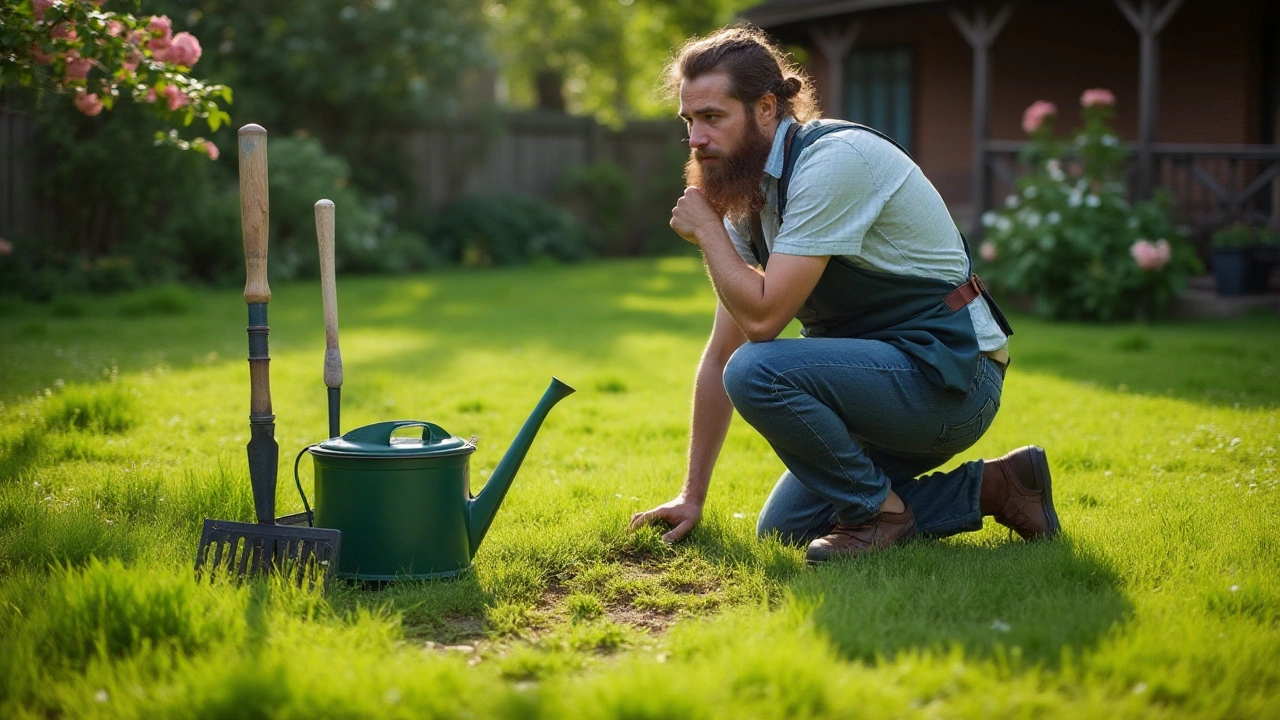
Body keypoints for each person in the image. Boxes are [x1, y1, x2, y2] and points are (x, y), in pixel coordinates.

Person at [629, 26, 1060, 563]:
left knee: (756, 369)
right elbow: (720, 351)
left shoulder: (833, 162)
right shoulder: (750, 196)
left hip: (953, 379)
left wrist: (709, 233)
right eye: (689, 121)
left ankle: (879, 513)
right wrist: (691, 496)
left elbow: (761, 326)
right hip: (881, 391)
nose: (695, 139)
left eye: (713, 117)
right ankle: (1002, 487)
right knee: (785, 531)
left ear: (767, 109)